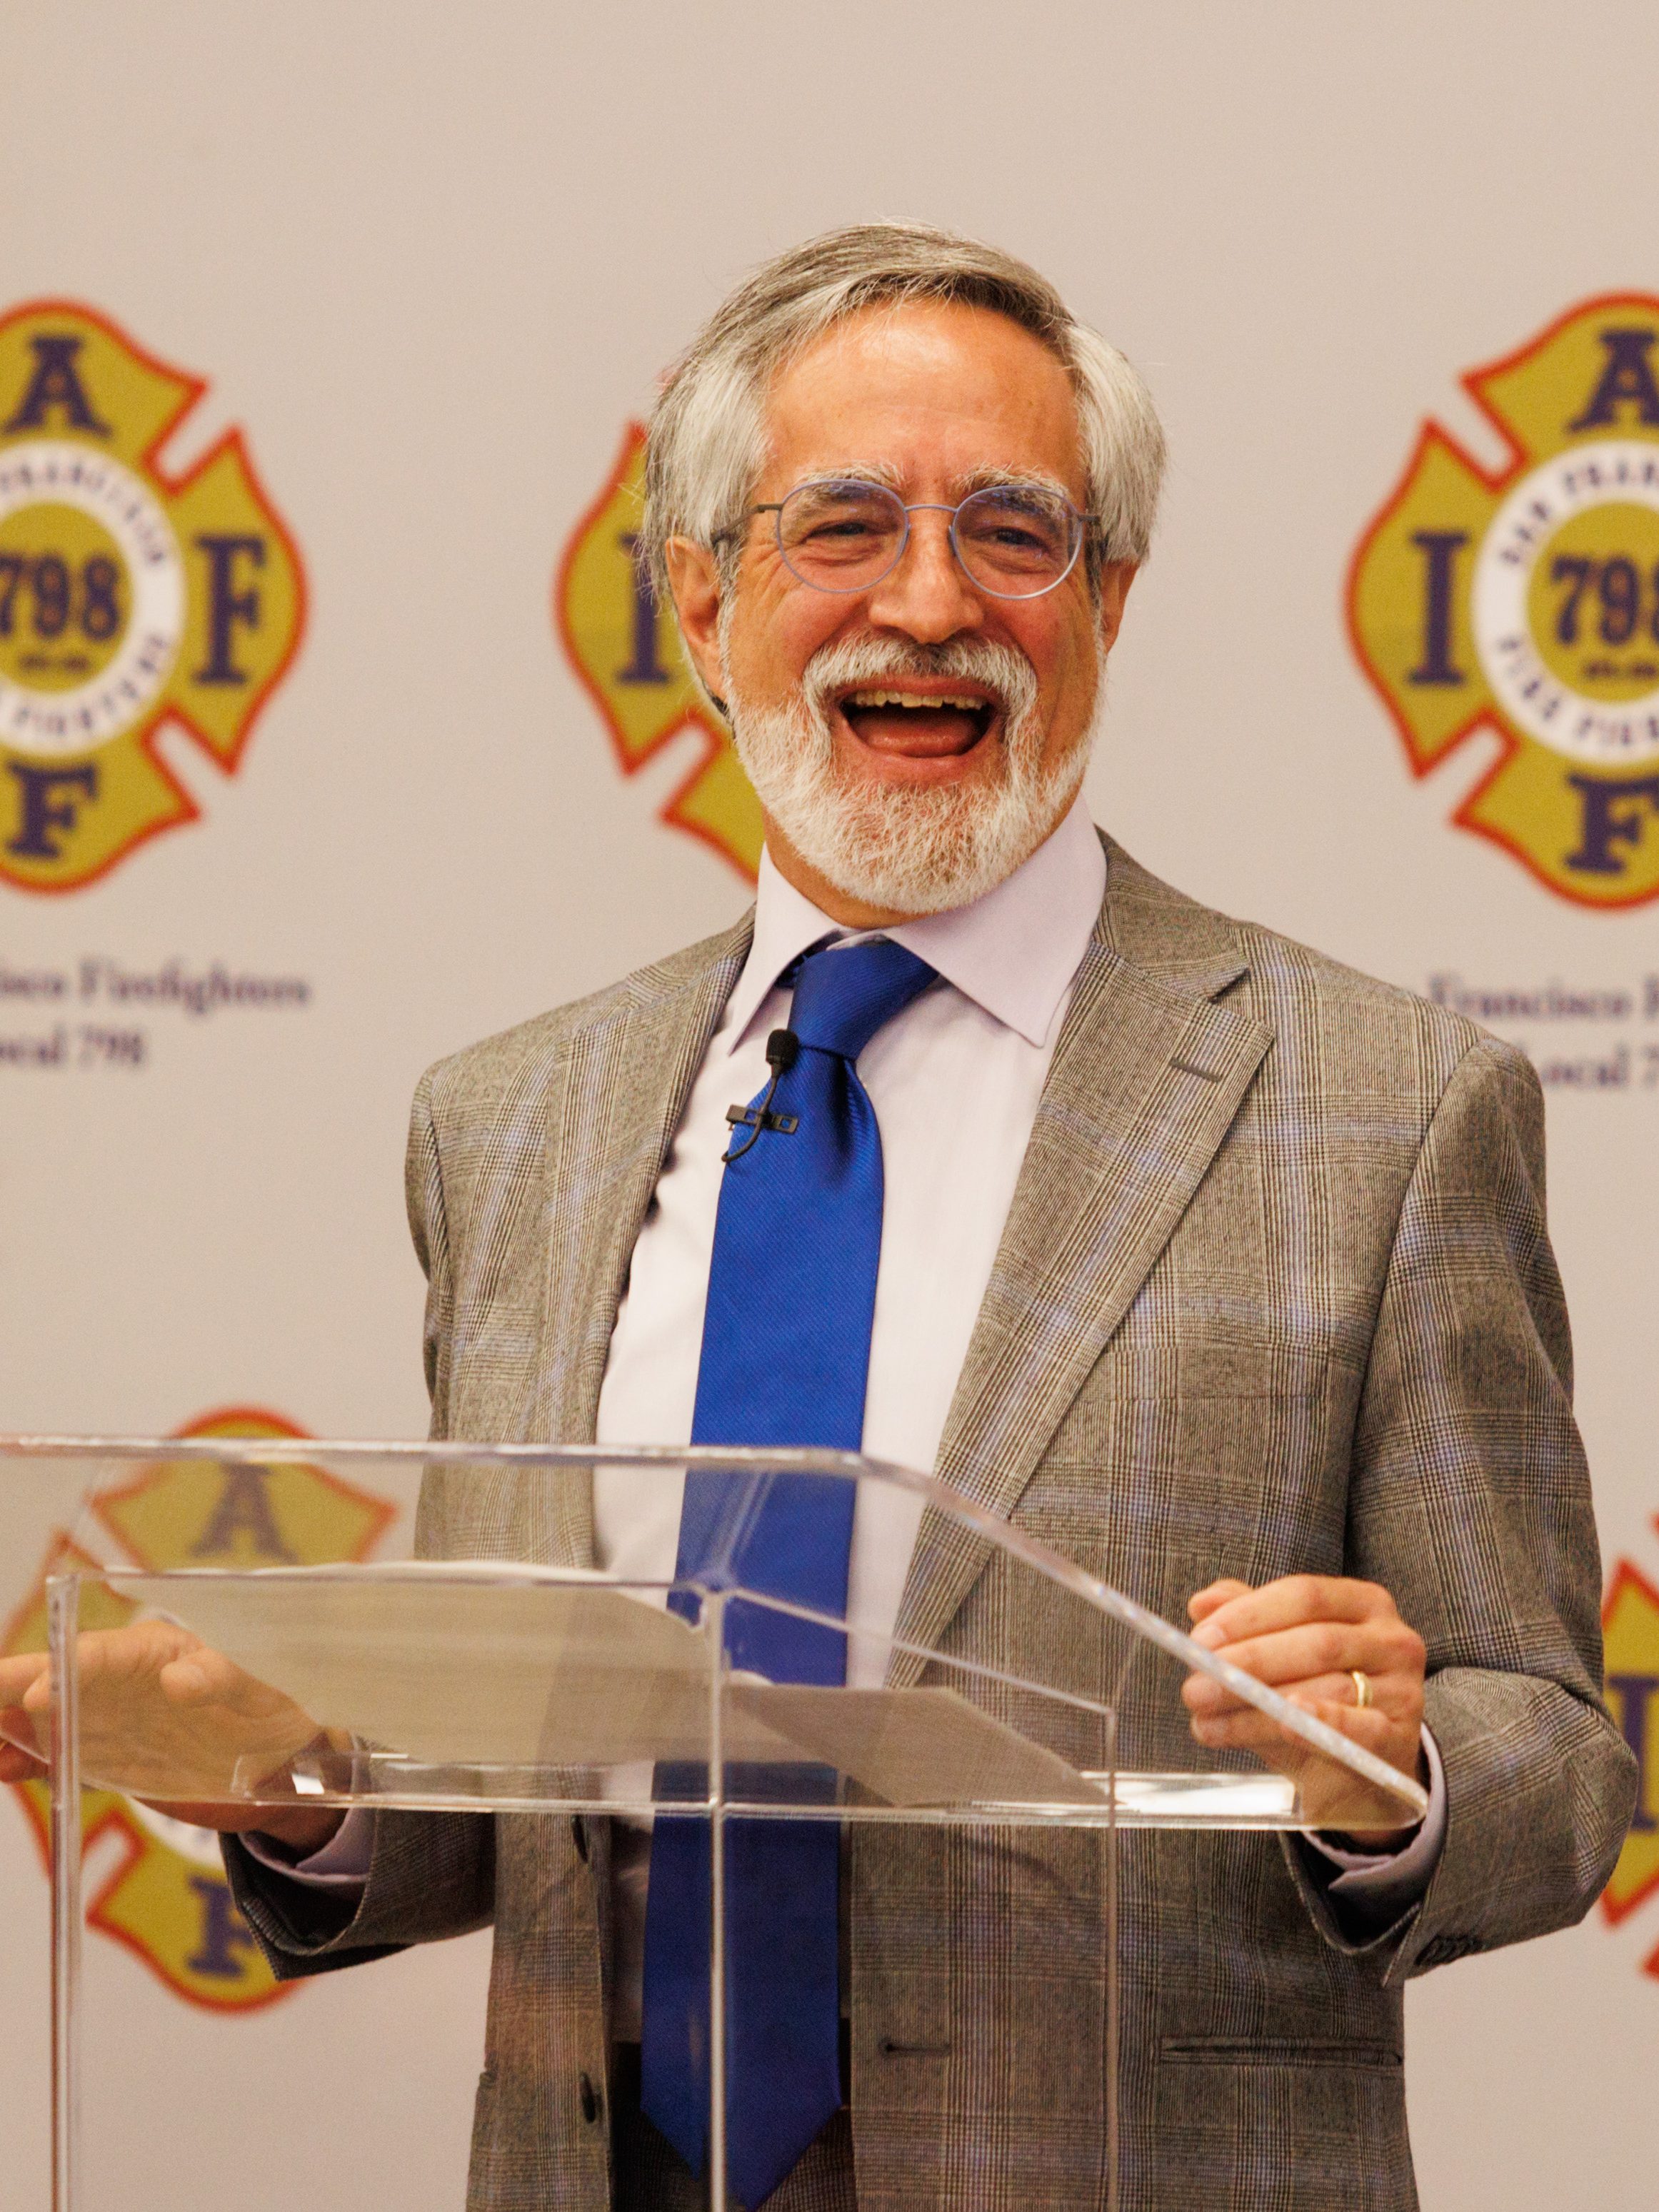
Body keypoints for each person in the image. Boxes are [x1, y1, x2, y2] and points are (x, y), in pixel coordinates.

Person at [18, 224, 1633, 2210]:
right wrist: (284, 1767)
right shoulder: (509, 1122)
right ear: (701, 601)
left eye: (1016, 531)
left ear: (1110, 598)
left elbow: (1558, 1760)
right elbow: (530, 1779)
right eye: (842, 524)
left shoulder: (1382, 1108)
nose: (931, 601)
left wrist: (1383, 1768)